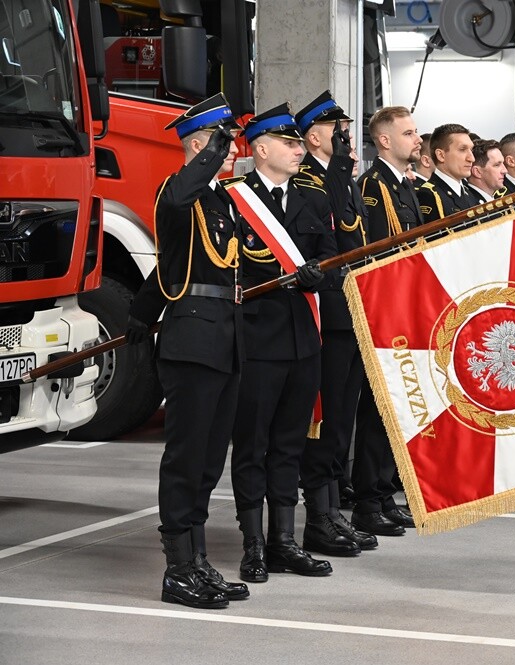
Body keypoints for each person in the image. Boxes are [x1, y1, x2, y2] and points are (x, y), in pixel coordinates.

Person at [126, 93, 248, 609]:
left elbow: (173, 266)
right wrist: (208, 154)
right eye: (222, 144)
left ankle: (197, 560)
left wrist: (140, 309)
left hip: (226, 336)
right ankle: (177, 570)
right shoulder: (176, 194)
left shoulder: (220, 200)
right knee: (186, 458)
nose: (233, 152)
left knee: (208, 461)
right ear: (200, 146)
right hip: (193, 341)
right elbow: (176, 210)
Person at [225, 104, 339, 582]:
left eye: (299, 143)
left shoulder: (313, 200)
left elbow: (333, 260)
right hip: (255, 339)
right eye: (291, 144)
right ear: (263, 149)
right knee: (252, 444)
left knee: (290, 446)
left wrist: (318, 277)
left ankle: (283, 542)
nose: (299, 150)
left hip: (302, 340)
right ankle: (252, 543)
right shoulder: (234, 200)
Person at [293, 91, 379, 555]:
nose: (346, 137)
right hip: (325, 316)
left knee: (341, 420)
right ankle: (318, 517)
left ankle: (330, 512)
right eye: (338, 130)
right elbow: (333, 238)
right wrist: (341, 171)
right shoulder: (311, 180)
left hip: (351, 313)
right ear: (314, 136)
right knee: (323, 422)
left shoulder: (340, 179)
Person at [354, 106, 424, 535]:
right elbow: (378, 254)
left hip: (405, 307)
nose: (418, 140)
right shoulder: (372, 187)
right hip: (384, 310)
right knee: (375, 407)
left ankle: (382, 493)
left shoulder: (403, 186)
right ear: (384, 140)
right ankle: (366, 501)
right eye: (409, 133)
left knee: (393, 410)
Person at [417, 123, 477, 221]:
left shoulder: (468, 193)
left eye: (471, 150)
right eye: (462, 149)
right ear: (441, 155)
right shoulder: (429, 195)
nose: (472, 158)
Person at [467, 138, 507, 203]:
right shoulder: (468, 204)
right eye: (497, 165)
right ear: (477, 172)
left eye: (503, 164)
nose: (505, 171)